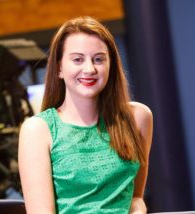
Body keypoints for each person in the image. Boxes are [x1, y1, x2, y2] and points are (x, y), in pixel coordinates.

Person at [18, 16, 153, 214]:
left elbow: (136, 198)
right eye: (77, 59)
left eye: (98, 59)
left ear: (111, 65)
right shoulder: (38, 130)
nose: (89, 69)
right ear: (59, 69)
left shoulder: (138, 118)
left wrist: (138, 209)